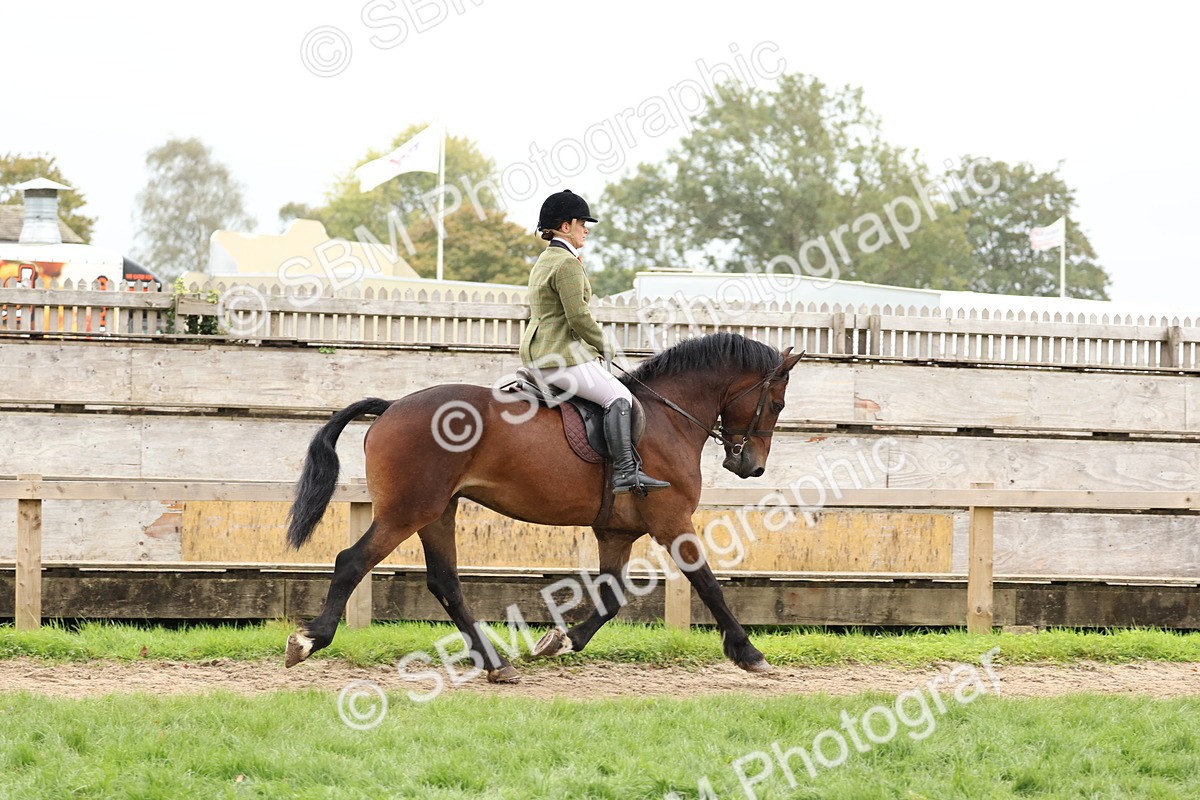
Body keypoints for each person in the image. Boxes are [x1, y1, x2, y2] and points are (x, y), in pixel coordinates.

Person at [519, 189, 669, 495]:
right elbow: (578, 317)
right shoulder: (566, 264)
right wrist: (605, 345)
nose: (586, 228)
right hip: (560, 356)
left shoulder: (546, 260)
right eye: (581, 223)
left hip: (539, 354)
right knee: (619, 397)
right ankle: (626, 472)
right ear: (565, 227)